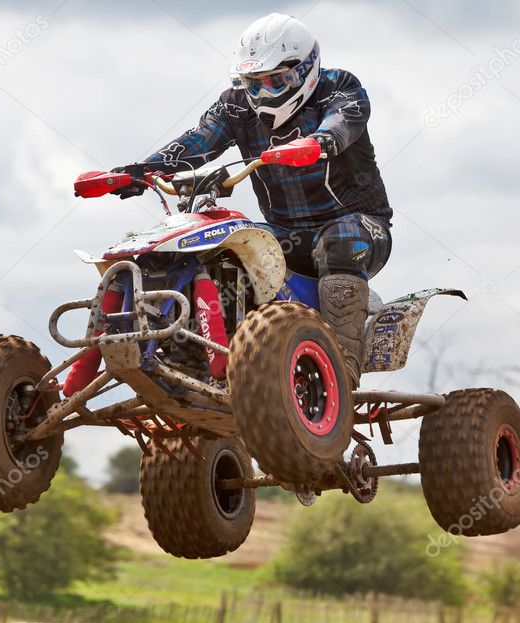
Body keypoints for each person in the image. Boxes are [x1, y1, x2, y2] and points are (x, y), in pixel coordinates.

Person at [112, 13, 392, 389]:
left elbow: (343, 120)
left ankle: (342, 369)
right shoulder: (236, 105)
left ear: (305, 69)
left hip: (363, 227)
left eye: (274, 81)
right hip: (284, 235)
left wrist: (319, 141)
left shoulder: (338, 86)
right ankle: (202, 355)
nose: (261, 95)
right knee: (220, 244)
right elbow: (199, 140)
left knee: (339, 240)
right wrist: (142, 170)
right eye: (252, 84)